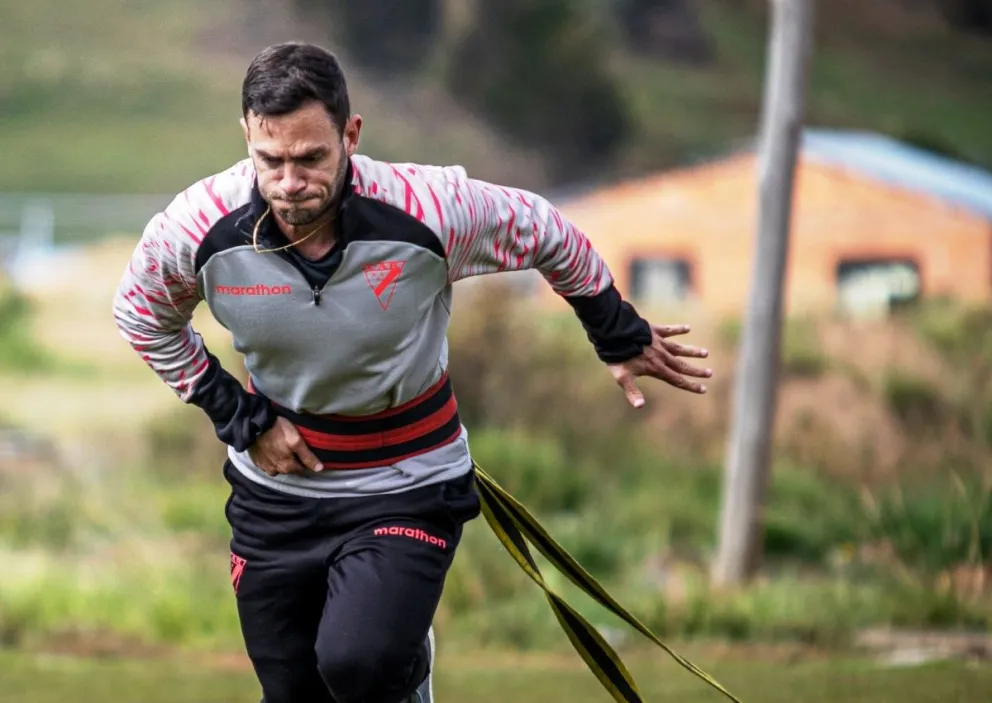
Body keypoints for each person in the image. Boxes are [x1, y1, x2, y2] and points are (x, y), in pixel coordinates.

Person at [112, 41, 712, 703]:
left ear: (351, 134)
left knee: (361, 664)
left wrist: (614, 330)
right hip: (277, 495)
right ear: (246, 138)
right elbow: (141, 313)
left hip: (407, 481)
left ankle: (403, 663)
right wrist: (239, 417)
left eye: (311, 157)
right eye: (270, 159)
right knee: (293, 692)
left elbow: (545, 230)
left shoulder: (428, 209)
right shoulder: (198, 225)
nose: (289, 182)